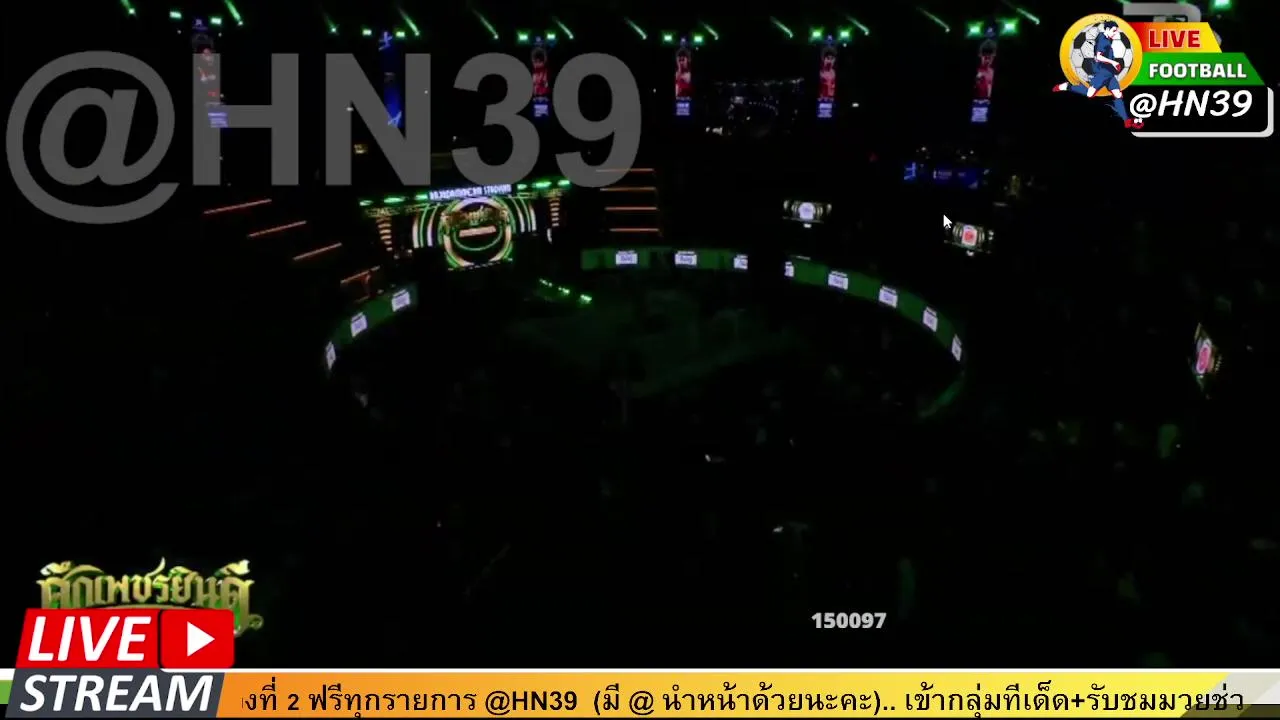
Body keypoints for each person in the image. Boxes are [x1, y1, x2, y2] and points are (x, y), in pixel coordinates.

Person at [1053, 21, 1144, 129]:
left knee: (1118, 95)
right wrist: (1113, 62)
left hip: (1110, 74)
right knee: (1090, 94)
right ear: (1107, 29)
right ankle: (1067, 86)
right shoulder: (1103, 41)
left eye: (1116, 31)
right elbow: (1098, 57)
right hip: (1102, 73)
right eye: (1114, 31)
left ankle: (1126, 120)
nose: (1115, 33)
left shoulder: (1105, 37)